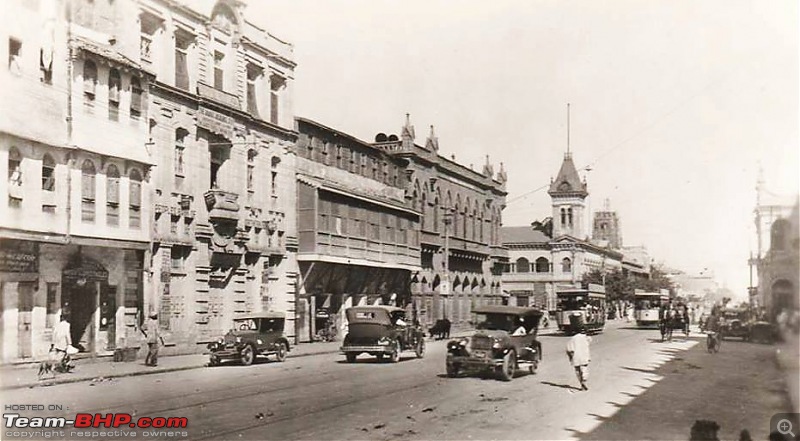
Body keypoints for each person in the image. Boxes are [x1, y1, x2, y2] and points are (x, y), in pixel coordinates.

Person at [566, 325, 592, 390]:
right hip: (584, 356)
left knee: (577, 370)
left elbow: (569, 349)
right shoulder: (586, 337)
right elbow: (590, 339)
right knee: (584, 368)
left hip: (576, 356)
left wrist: (570, 358)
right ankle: (584, 380)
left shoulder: (573, 338)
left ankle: (581, 383)